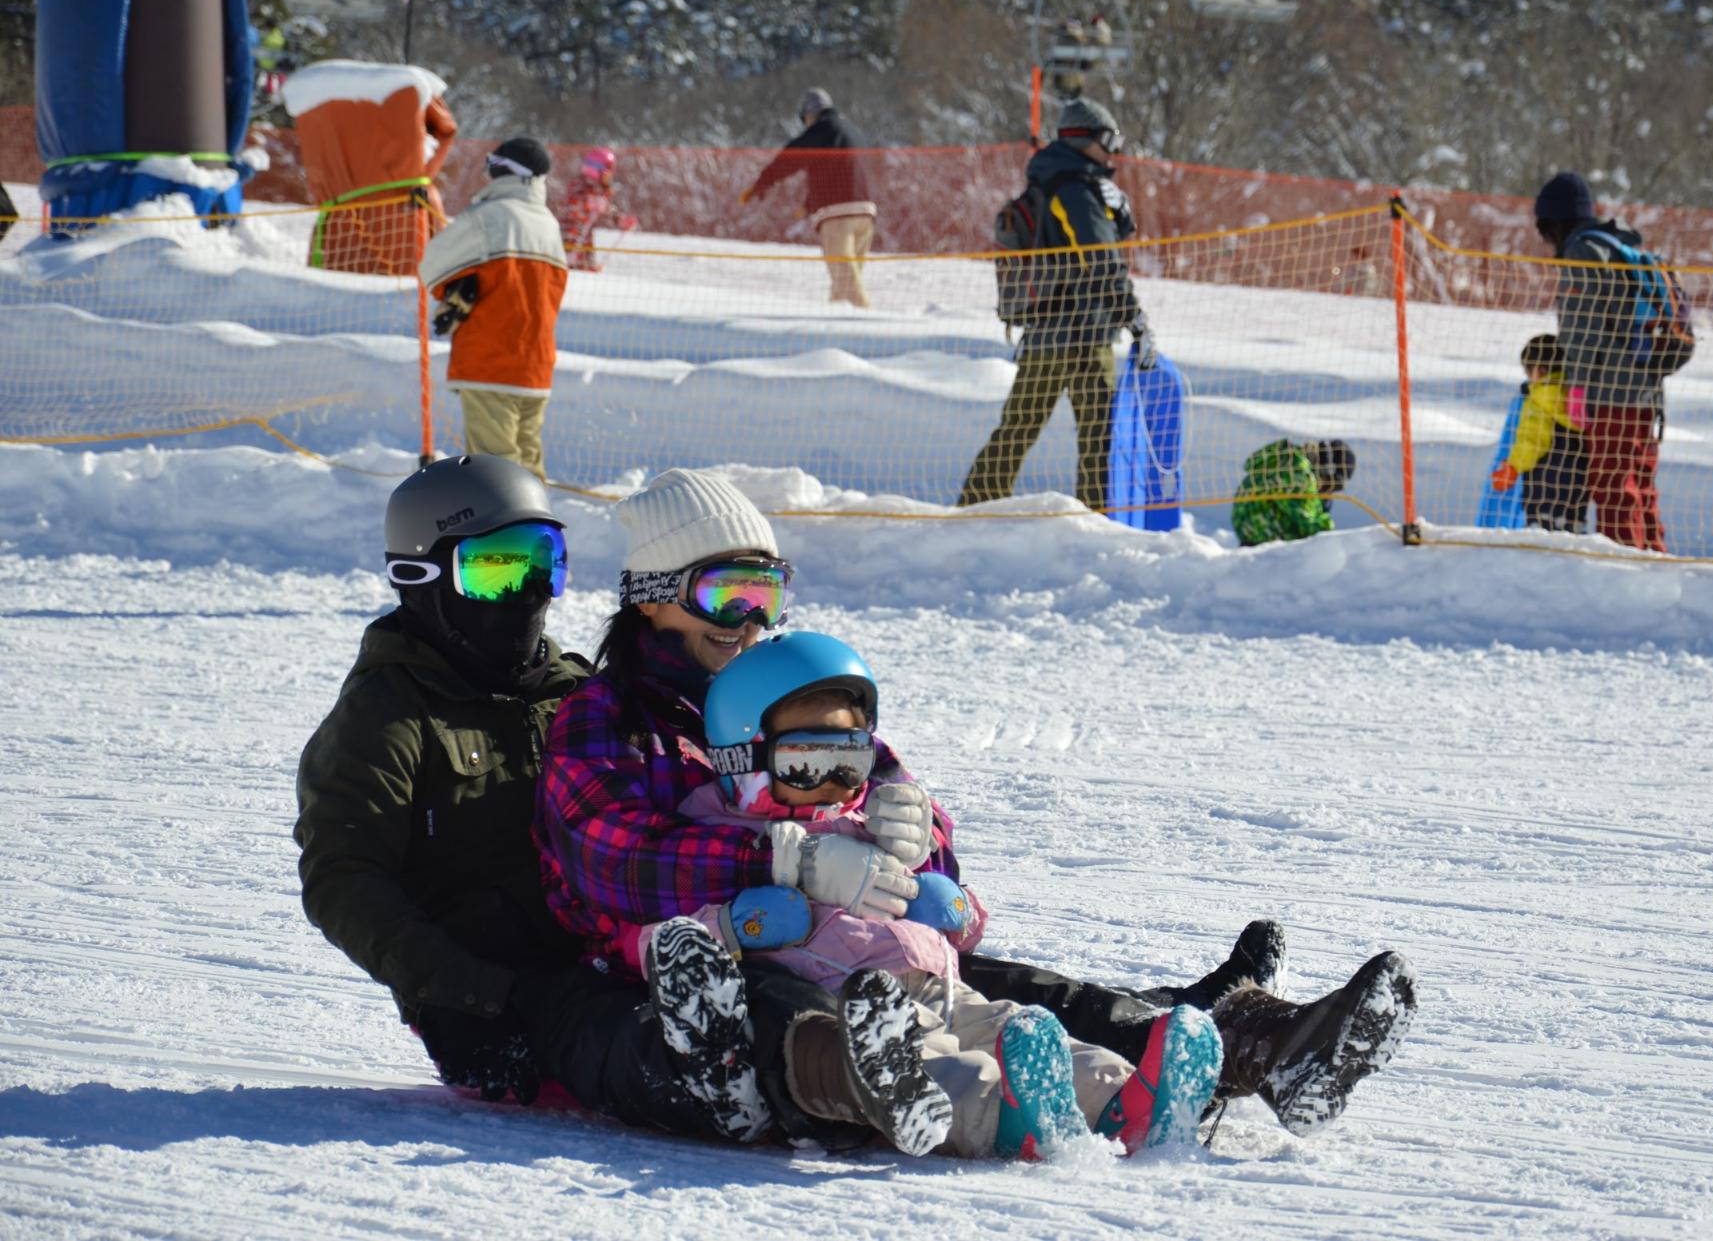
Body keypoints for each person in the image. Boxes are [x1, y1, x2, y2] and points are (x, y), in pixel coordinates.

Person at [536, 466, 1418, 1144]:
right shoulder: (605, 720)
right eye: (723, 593)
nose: (747, 620)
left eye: (764, 594)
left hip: (850, 941)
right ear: (651, 596)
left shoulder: (789, 685)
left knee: (1013, 992)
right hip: (703, 967)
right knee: (806, 1005)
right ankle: (913, 1091)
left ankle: (1260, 1049)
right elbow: (609, 861)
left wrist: (917, 840)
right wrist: (781, 860)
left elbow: (901, 808)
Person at [596, 629, 1229, 1159]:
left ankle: (1127, 1103)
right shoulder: (717, 835)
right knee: (947, 1066)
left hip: (938, 980)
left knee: (1026, 1032)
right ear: (744, 758)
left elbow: (957, 922)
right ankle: (1007, 1125)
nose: (836, 782)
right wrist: (732, 926)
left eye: (851, 759)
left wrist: (950, 906)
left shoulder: (870, 820)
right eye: (806, 763)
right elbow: (657, 940)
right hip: (861, 1008)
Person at [293, 455, 771, 1146]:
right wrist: (466, 994)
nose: (527, 591)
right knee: (615, 1027)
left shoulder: (571, 690)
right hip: (503, 991)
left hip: (612, 943)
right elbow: (343, 882)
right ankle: (731, 1087)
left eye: (543, 561)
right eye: (495, 569)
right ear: (420, 577)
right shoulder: (386, 718)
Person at [958, 97, 1148, 513]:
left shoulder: (1051, 181)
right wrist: (1133, 318)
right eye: (1109, 140)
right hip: (1084, 335)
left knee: (1017, 429)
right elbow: (1101, 258)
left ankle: (972, 509)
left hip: (1045, 333)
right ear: (1087, 139)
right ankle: (1101, 518)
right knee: (1100, 437)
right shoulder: (1076, 189)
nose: (1113, 151)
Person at [1534, 171, 1693, 552]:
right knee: (1641, 485)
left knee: (1612, 488)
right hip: (1646, 390)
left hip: (1610, 393)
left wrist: (1576, 390)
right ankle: (1654, 562)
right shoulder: (1622, 245)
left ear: (1553, 221)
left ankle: (1622, 571)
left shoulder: (1583, 252)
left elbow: (1581, 332)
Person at [419, 137, 569, 480]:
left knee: (494, 475)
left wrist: (460, 285)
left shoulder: (489, 216)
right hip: (535, 367)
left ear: (502, 170)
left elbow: (432, 265)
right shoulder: (549, 225)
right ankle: (536, 533)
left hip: (489, 365)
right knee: (528, 471)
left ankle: (500, 534)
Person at [739, 88, 876, 307]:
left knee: (846, 282)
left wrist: (762, 183)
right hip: (866, 214)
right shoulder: (852, 131)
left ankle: (872, 328)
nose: (806, 124)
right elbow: (839, 171)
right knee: (844, 282)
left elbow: (790, 158)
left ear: (811, 113)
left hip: (838, 216)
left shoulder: (822, 130)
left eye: (805, 119)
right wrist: (809, 204)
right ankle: (835, 328)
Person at [1490, 334, 1588, 533]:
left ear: (1540, 370)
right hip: (1577, 486)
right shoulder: (1573, 395)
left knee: (1542, 531)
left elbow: (1532, 440)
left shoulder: (1540, 398)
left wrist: (1513, 466)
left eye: (1528, 370)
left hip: (1543, 485)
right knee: (1570, 527)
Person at [1231, 438, 1356, 547]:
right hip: (1264, 541)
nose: (1329, 489)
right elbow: (1311, 528)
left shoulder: (1287, 460)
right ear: (1327, 469)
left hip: (1254, 533)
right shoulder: (1300, 475)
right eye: (1334, 483)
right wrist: (1326, 520)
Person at [556, 146, 638, 272]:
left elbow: (606, 211)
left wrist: (619, 220)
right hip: (567, 244)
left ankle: (587, 268)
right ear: (598, 171)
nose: (610, 176)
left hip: (582, 247)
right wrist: (586, 204)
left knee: (586, 275)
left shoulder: (598, 193)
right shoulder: (580, 188)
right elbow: (571, 210)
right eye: (608, 171)